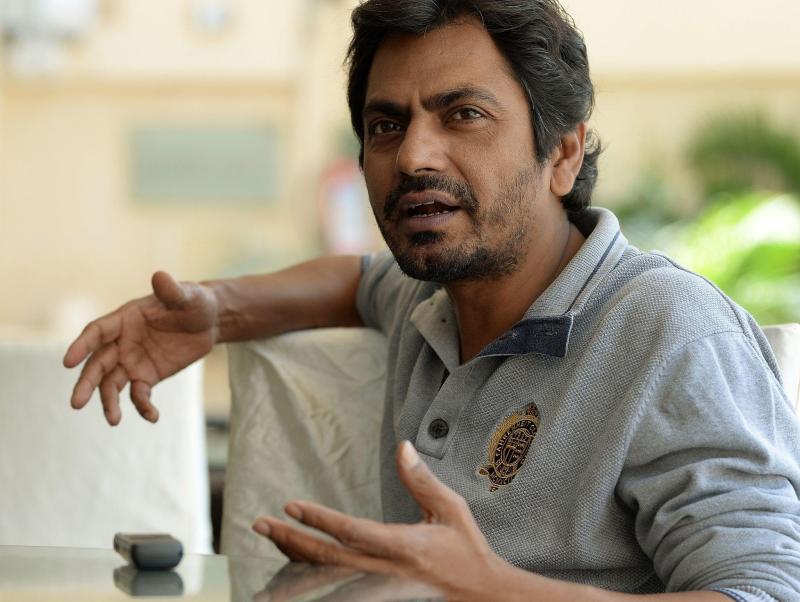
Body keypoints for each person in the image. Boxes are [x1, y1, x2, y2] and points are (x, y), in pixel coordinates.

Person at [64, 1, 800, 600]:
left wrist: (493, 590)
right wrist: (218, 310)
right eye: (387, 125)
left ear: (563, 153)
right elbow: (358, 280)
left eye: (463, 114)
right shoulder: (432, 297)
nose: (413, 156)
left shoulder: (669, 330)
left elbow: (764, 590)